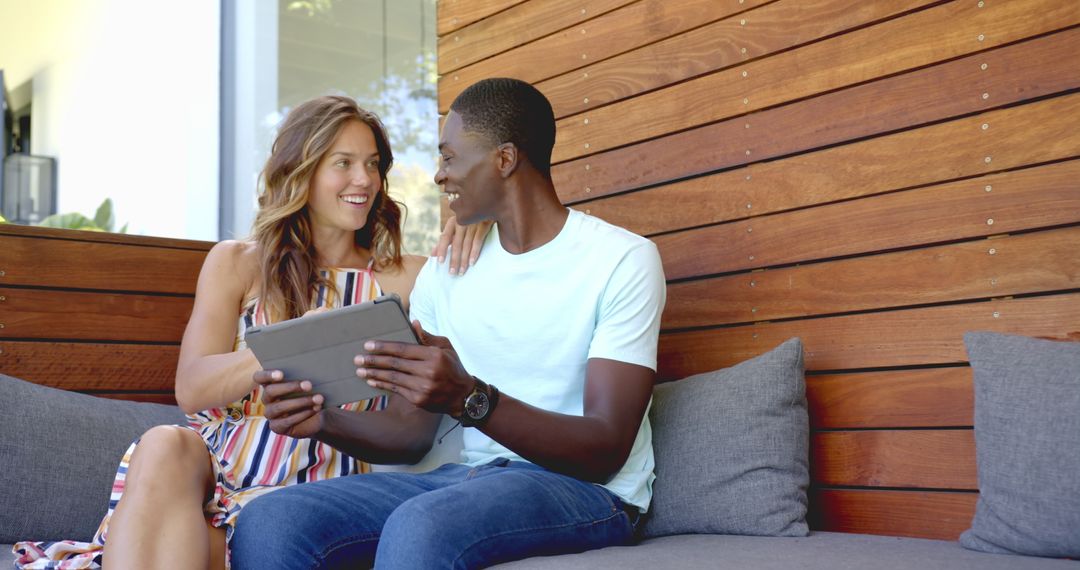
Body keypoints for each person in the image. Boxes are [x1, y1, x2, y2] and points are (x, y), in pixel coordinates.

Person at [13, 95, 485, 570]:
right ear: (301, 171)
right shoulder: (237, 263)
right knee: (164, 442)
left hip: (314, 490)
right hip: (214, 472)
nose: (364, 179)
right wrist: (292, 345)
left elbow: (488, 264)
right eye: (343, 163)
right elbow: (192, 388)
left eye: (373, 164)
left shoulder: (404, 279)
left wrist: (476, 223)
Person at [230, 77, 666, 569]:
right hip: (464, 479)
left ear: (504, 160)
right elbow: (410, 434)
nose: (438, 176)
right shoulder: (446, 272)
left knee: (422, 525)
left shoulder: (620, 260)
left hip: (586, 491)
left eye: (449, 157)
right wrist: (323, 421)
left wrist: (469, 398)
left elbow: (605, 450)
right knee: (272, 520)